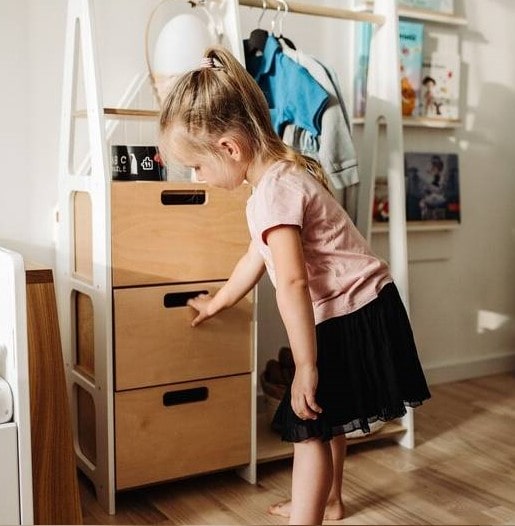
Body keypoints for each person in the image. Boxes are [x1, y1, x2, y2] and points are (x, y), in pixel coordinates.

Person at [158, 46, 431, 526]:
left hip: (353, 310)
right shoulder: (276, 179)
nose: (197, 177)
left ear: (229, 148)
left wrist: (305, 365)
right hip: (361, 305)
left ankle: (309, 516)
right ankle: (330, 501)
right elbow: (256, 256)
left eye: (197, 166)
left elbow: (291, 280)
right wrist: (220, 301)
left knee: (309, 425)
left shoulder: (274, 192)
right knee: (328, 414)